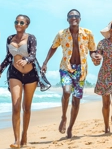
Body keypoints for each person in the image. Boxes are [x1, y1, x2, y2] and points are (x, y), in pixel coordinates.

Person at [41, 9, 102, 138]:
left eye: (76, 16)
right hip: (66, 68)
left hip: (81, 70)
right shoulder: (61, 34)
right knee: (67, 91)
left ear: (80, 19)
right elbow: (53, 47)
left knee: (76, 101)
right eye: (71, 16)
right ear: (67, 19)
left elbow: (92, 50)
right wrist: (45, 62)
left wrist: (95, 56)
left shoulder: (88, 33)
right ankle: (63, 116)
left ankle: (70, 128)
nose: (74, 18)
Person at [0, 15, 51, 149]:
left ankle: (25, 134)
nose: (18, 24)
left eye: (21, 22)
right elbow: (8, 57)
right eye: (16, 22)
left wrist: (26, 60)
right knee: (15, 106)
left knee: (26, 107)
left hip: (31, 74)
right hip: (15, 74)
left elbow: (33, 54)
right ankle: (16, 140)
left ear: (26, 25)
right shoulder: (9, 38)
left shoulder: (31, 38)